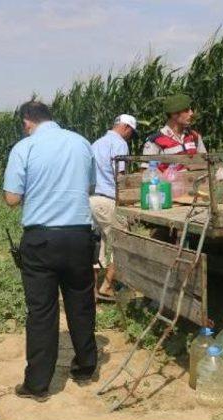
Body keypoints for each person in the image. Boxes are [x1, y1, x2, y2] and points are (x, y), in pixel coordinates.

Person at [3, 101, 97, 401]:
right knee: (80, 301)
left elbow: (12, 198)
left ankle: (38, 384)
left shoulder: (24, 148)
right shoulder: (81, 143)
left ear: (28, 120)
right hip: (79, 236)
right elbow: (91, 188)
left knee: (42, 311)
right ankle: (85, 366)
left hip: (41, 239)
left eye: (24, 124)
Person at [90, 114, 137, 299]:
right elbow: (121, 176)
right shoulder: (119, 144)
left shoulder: (96, 143)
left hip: (92, 199)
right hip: (109, 199)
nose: (130, 137)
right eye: (131, 133)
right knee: (123, 243)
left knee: (96, 245)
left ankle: (90, 291)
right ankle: (107, 286)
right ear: (126, 127)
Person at [142, 93, 206, 171]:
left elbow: (205, 163)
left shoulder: (194, 136)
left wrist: (194, 167)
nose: (191, 113)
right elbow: (146, 172)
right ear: (174, 114)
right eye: (186, 110)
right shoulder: (155, 141)